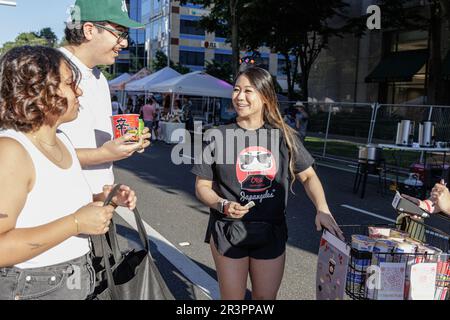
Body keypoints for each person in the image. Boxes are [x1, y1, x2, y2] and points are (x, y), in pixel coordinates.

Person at [191, 67, 343, 300]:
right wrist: (222, 204)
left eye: (248, 91)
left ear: (265, 97)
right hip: (228, 229)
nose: (239, 97)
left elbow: (308, 176)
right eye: (236, 90)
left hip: (271, 231)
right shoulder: (217, 135)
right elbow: (202, 185)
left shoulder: (284, 137)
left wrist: (322, 209)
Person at [0, 46, 137, 300]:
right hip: (33, 287)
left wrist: (106, 200)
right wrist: (75, 223)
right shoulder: (11, 150)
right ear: (37, 92)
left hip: (75, 279)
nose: (80, 91)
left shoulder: (62, 140)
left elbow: (57, 208)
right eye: (70, 83)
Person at [60, 0, 151, 195]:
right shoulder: (49, 71)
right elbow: (35, 152)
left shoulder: (99, 78)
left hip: (100, 203)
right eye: (119, 31)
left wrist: (127, 140)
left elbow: (95, 138)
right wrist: (103, 154)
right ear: (89, 30)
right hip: (63, 213)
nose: (125, 42)